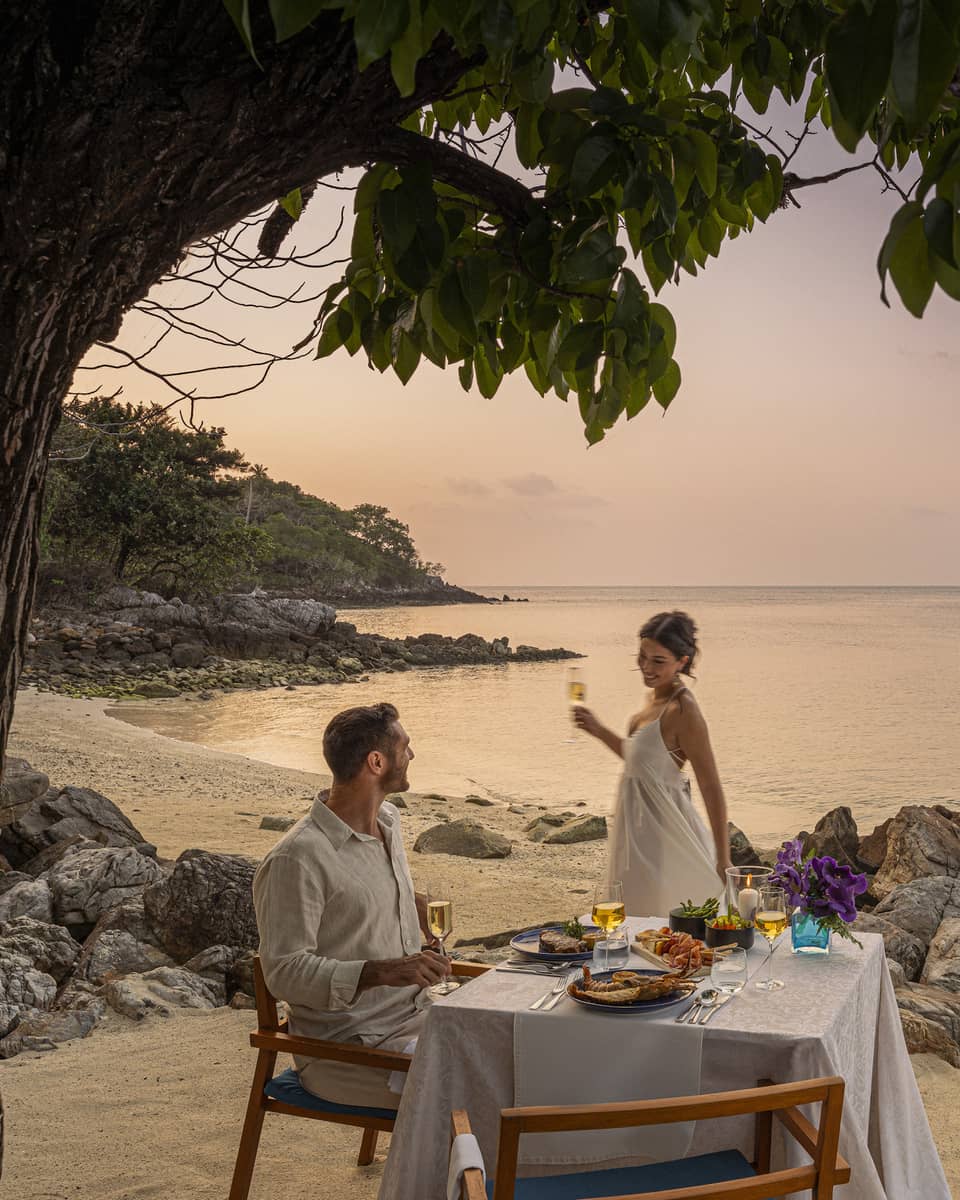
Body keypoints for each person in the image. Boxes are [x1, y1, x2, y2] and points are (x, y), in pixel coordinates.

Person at [253, 702, 450, 1110]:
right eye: (405, 747)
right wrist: (385, 971)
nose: (411, 756)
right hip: (347, 1050)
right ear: (376, 762)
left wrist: (411, 906)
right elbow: (285, 972)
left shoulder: (389, 821)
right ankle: (454, 1173)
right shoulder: (298, 858)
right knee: (484, 1085)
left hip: (417, 1017)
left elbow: (359, 899)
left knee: (522, 1045)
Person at [573, 611, 731, 917]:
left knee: (663, 924)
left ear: (682, 662)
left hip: (664, 836)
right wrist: (598, 730)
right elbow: (641, 764)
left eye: (658, 661)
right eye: (642, 656)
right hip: (634, 830)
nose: (646, 667)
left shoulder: (684, 711)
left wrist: (723, 859)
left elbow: (711, 786)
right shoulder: (652, 700)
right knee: (632, 923)